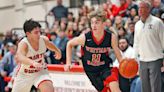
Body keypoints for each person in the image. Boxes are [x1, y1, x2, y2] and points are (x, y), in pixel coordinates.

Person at [66, 10, 122, 92]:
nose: (94, 25)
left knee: (114, 85)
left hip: (105, 68)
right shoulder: (85, 37)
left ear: (103, 24)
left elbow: (119, 56)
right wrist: (68, 62)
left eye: (97, 23)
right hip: (91, 71)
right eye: (92, 23)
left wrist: (124, 65)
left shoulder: (111, 37)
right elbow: (69, 44)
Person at [12, 19, 61, 92]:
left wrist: (57, 51)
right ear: (28, 34)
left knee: (48, 89)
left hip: (40, 72)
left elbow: (50, 45)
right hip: (25, 74)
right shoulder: (24, 44)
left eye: (39, 32)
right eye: (36, 32)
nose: (39, 34)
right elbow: (19, 56)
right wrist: (33, 62)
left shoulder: (43, 39)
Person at [133, 1, 164, 92]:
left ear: (148, 9)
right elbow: (136, 43)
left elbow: (163, 40)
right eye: (139, 8)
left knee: (155, 87)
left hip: (155, 59)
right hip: (142, 60)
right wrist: (135, 58)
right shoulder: (137, 24)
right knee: (144, 88)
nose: (140, 10)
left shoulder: (157, 22)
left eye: (142, 8)